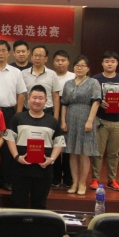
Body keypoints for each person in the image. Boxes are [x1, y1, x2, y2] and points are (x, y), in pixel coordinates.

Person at [4, 85, 66, 209]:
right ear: (28, 99)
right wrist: (17, 157)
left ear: (46, 100)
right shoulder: (18, 118)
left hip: (44, 170)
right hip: (21, 169)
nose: (37, 101)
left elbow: (59, 143)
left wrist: (51, 159)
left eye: (40, 98)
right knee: (18, 204)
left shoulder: (53, 121)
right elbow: (10, 138)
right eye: (34, 98)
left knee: (40, 205)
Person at [0, 40, 28, 192]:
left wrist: (18, 115)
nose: (1, 53)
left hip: (9, 112)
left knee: (8, 147)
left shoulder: (16, 72)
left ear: (9, 53)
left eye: (4, 51)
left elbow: (20, 94)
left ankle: (5, 180)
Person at [90, 51, 119, 192]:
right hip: (100, 120)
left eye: (113, 61)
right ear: (102, 63)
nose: (110, 64)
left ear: (117, 63)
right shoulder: (95, 79)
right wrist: (99, 102)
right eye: (107, 61)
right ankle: (95, 179)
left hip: (118, 121)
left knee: (113, 153)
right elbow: (90, 97)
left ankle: (112, 180)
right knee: (97, 152)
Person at [61, 55, 101, 195]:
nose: (79, 68)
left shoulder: (93, 82)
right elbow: (64, 104)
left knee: (84, 153)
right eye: (77, 65)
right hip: (71, 118)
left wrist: (90, 120)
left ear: (88, 68)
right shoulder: (68, 84)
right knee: (72, 152)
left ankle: (83, 182)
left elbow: (96, 102)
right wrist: (63, 121)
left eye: (83, 65)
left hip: (86, 117)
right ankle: (75, 182)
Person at [51, 50, 75, 188]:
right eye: (57, 60)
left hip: (69, 113)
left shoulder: (74, 76)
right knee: (53, 144)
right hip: (53, 111)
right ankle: (55, 177)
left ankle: (67, 178)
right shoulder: (51, 75)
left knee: (67, 146)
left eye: (63, 60)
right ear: (53, 62)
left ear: (68, 62)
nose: (60, 63)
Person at [22, 45, 61, 119]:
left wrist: (56, 116)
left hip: (47, 112)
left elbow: (56, 96)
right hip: (28, 111)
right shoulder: (23, 73)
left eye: (40, 56)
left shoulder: (52, 74)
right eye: (35, 55)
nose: (37, 58)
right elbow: (21, 95)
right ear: (31, 57)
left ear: (46, 59)